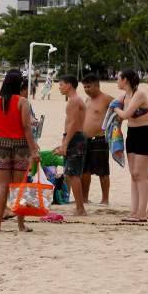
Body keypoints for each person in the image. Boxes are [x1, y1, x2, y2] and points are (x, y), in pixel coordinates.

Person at [0, 70, 39, 233]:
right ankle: (21, 225)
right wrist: (34, 149)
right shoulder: (22, 102)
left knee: (2, 186)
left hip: (0, 145)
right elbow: (26, 127)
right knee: (19, 186)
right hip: (21, 146)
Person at [114, 69, 148, 222]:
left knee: (141, 174)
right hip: (132, 135)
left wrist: (116, 109)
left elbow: (125, 115)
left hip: (145, 135)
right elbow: (116, 107)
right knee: (133, 175)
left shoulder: (139, 94)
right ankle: (134, 212)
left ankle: (142, 213)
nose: (117, 81)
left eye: (119, 78)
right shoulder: (125, 96)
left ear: (125, 80)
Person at [53, 75, 88, 217]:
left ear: (69, 85)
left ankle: (80, 208)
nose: (60, 87)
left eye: (61, 84)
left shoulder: (74, 101)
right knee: (71, 172)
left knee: (73, 174)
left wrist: (65, 144)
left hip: (75, 138)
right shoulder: (75, 100)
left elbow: (73, 123)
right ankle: (79, 207)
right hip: (74, 137)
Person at [80, 74, 114, 205]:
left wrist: (113, 129)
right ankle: (84, 198)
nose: (86, 89)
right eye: (84, 87)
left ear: (96, 85)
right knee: (85, 170)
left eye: (89, 86)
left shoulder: (107, 99)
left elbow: (120, 110)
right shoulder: (87, 100)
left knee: (103, 170)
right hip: (85, 139)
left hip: (100, 138)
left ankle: (105, 200)